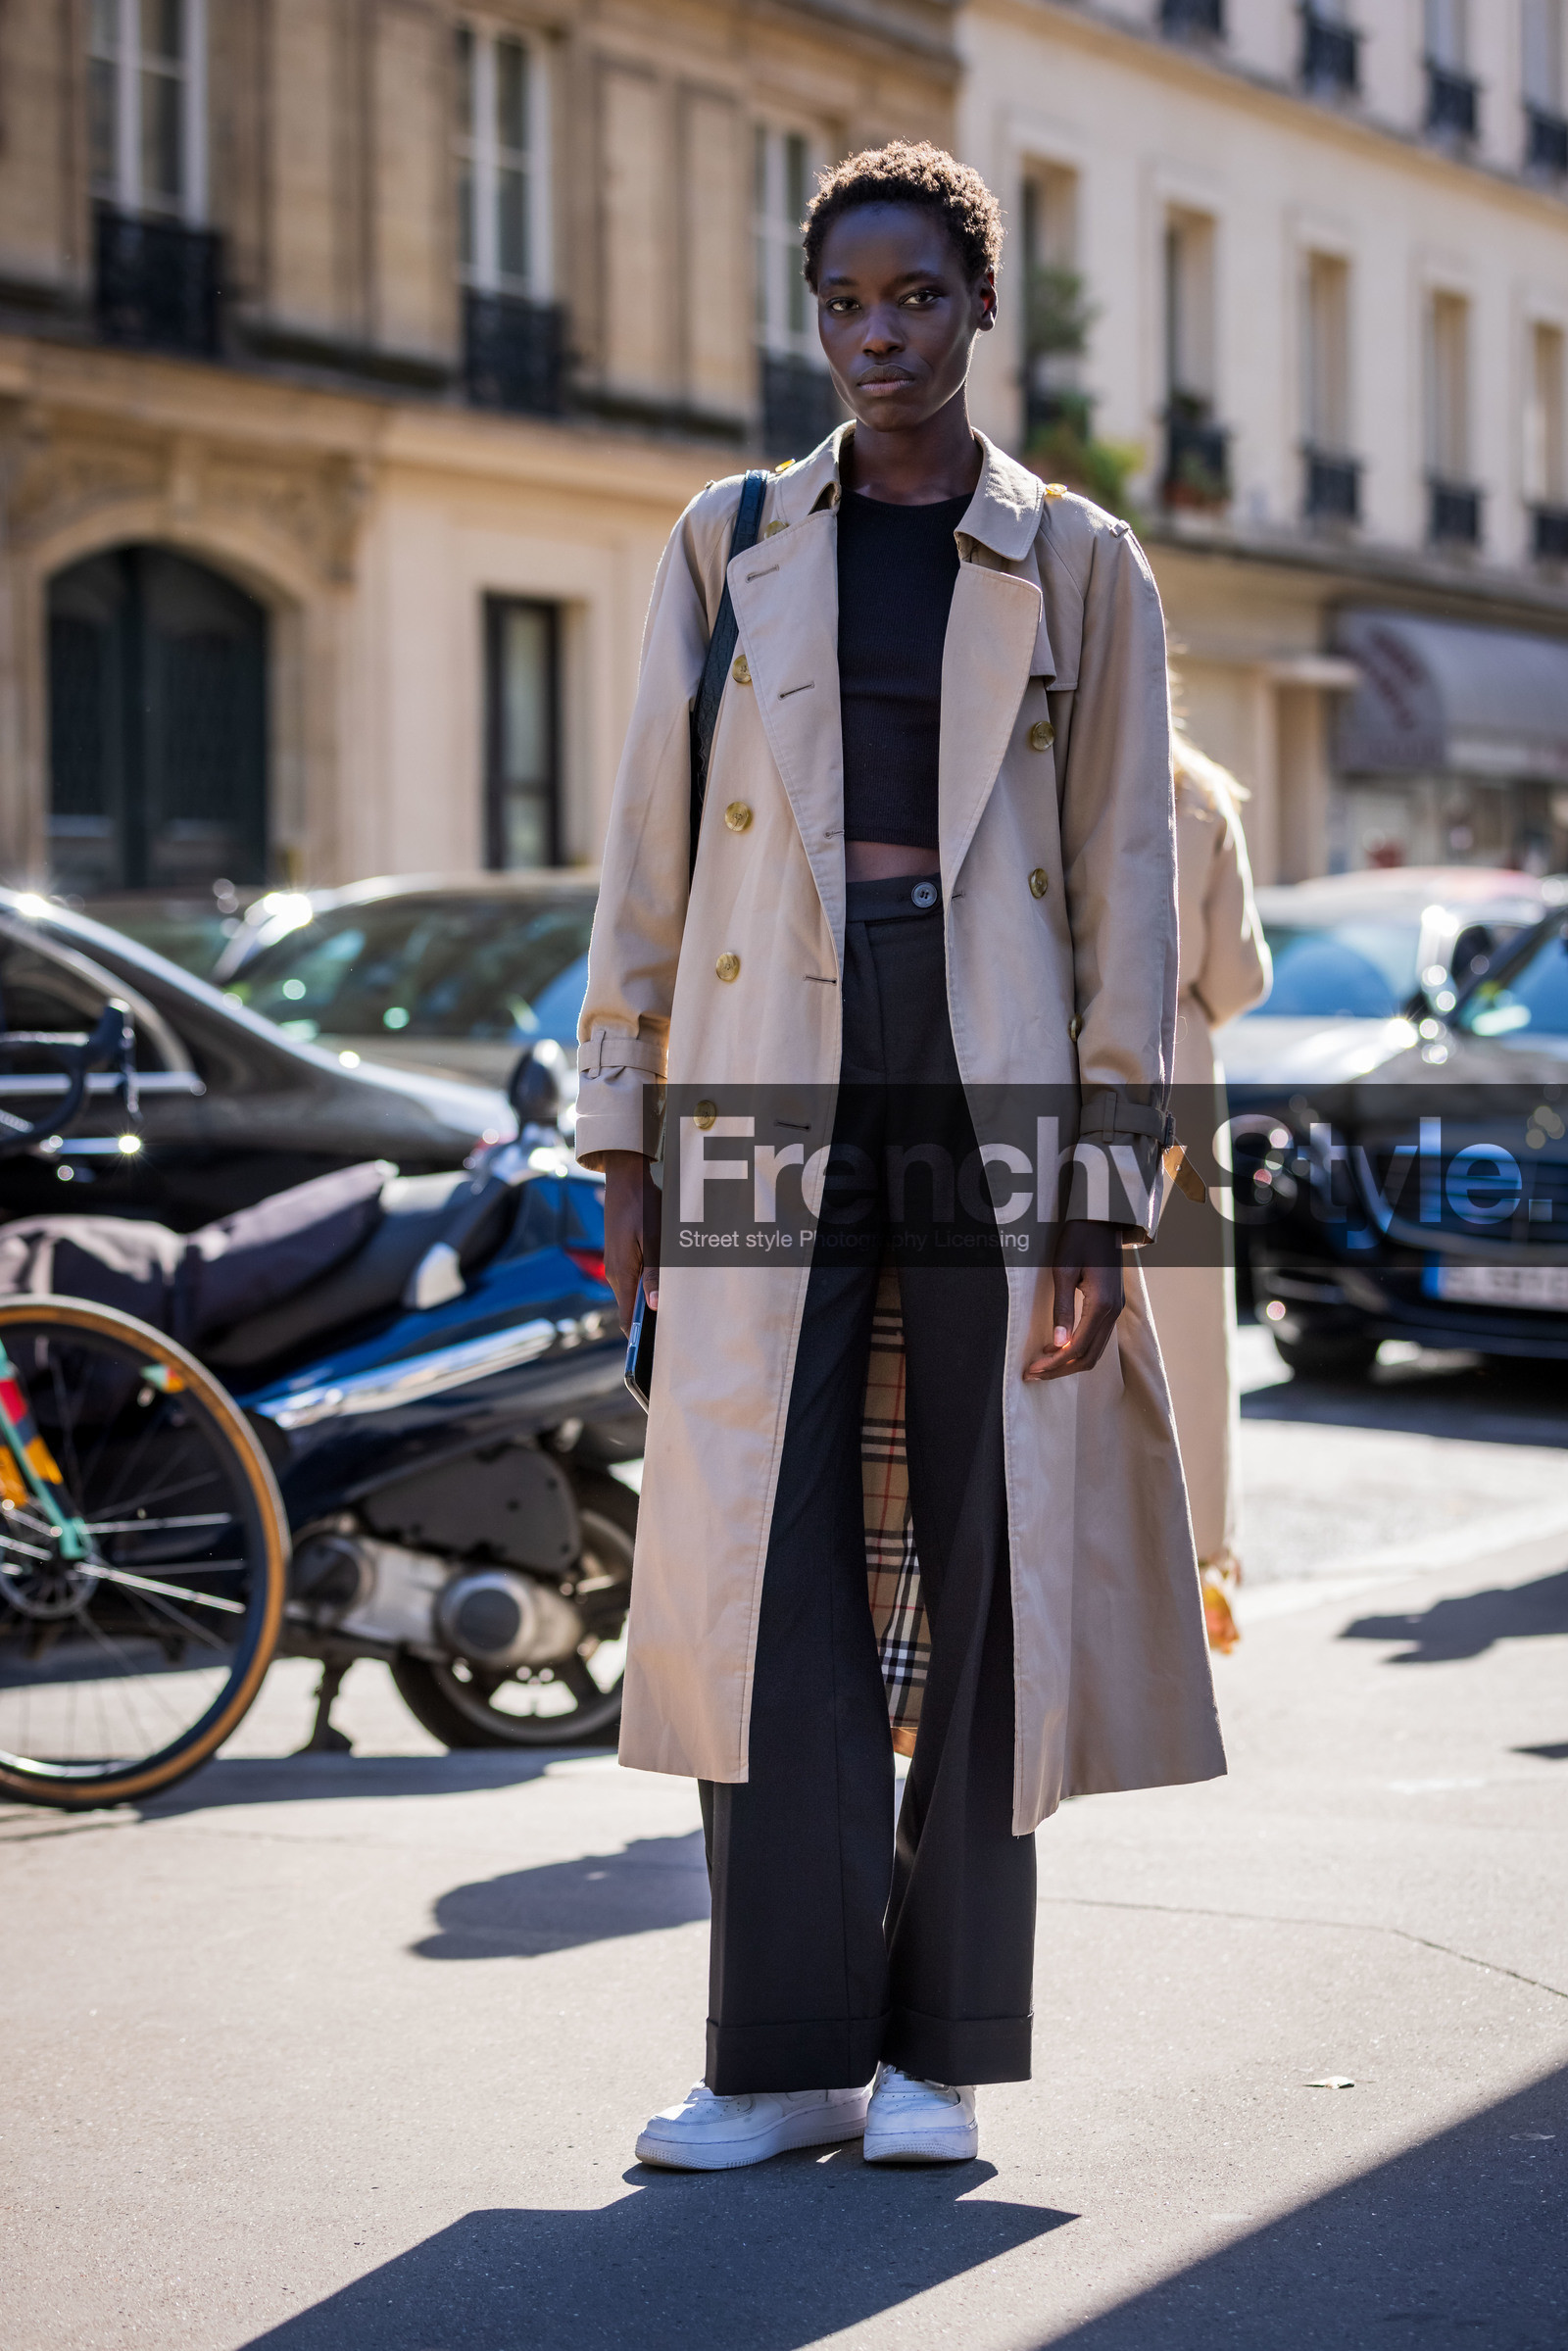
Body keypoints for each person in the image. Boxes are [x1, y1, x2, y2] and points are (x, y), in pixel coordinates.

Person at [575, 141, 1224, 2174]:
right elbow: (648, 855)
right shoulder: (730, 537)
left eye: (916, 297)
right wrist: (619, 1126)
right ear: (814, 317)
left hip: (994, 1086)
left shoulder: (1079, 562)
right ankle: (777, 2055)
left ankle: (945, 2040)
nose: (878, 336)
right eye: (844, 303)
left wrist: (1107, 1181)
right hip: (770, 1068)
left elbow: (1124, 878)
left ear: (976, 305)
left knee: (990, 1537)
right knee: (754, 1543)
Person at [1144, 734, 1272, 1652]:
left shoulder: (1058, 757)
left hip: (1054, 1071)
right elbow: (1240, 975)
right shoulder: (1201, 793)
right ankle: (1191, 1569)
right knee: (1188, 1335)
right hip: (1177, 1075)